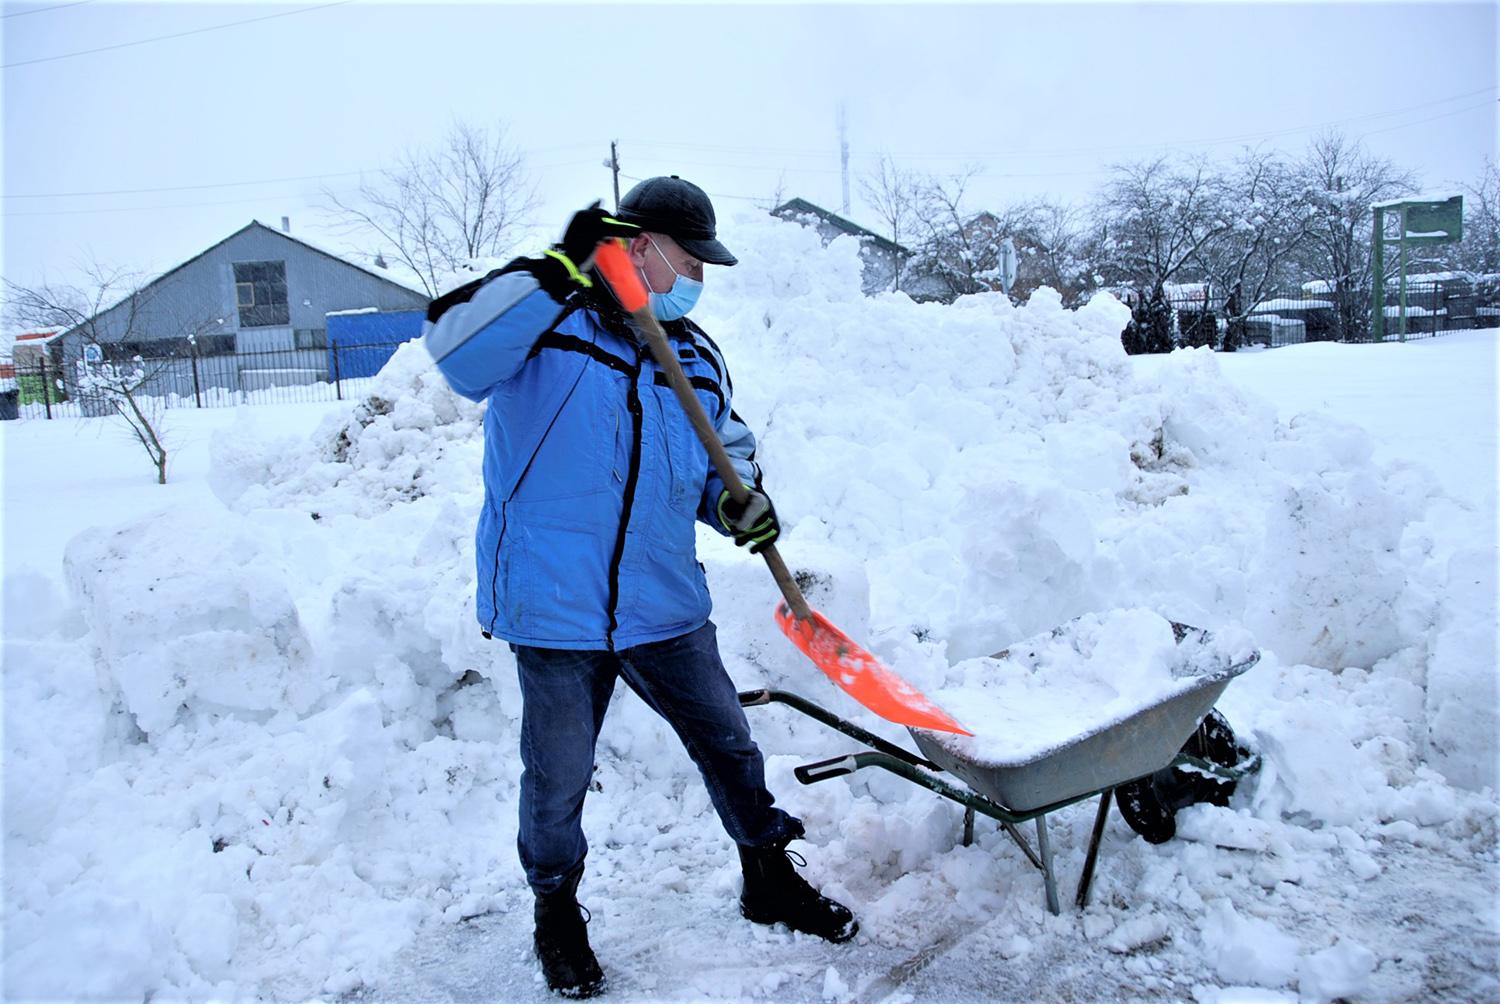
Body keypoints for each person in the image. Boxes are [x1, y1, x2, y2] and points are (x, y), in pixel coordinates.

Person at [423, 176, 857, 999]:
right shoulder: (543, 329)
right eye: (688, 258)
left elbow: (720, 451)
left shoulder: (690, 353)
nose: (698, 275)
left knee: (730, 744)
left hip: (663, 601)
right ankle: (557, 915)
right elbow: (453, 350)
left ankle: (766, 875)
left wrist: (741, 502)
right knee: (555, 777)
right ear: (639, 247)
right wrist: (558, 270)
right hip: (555, 607)